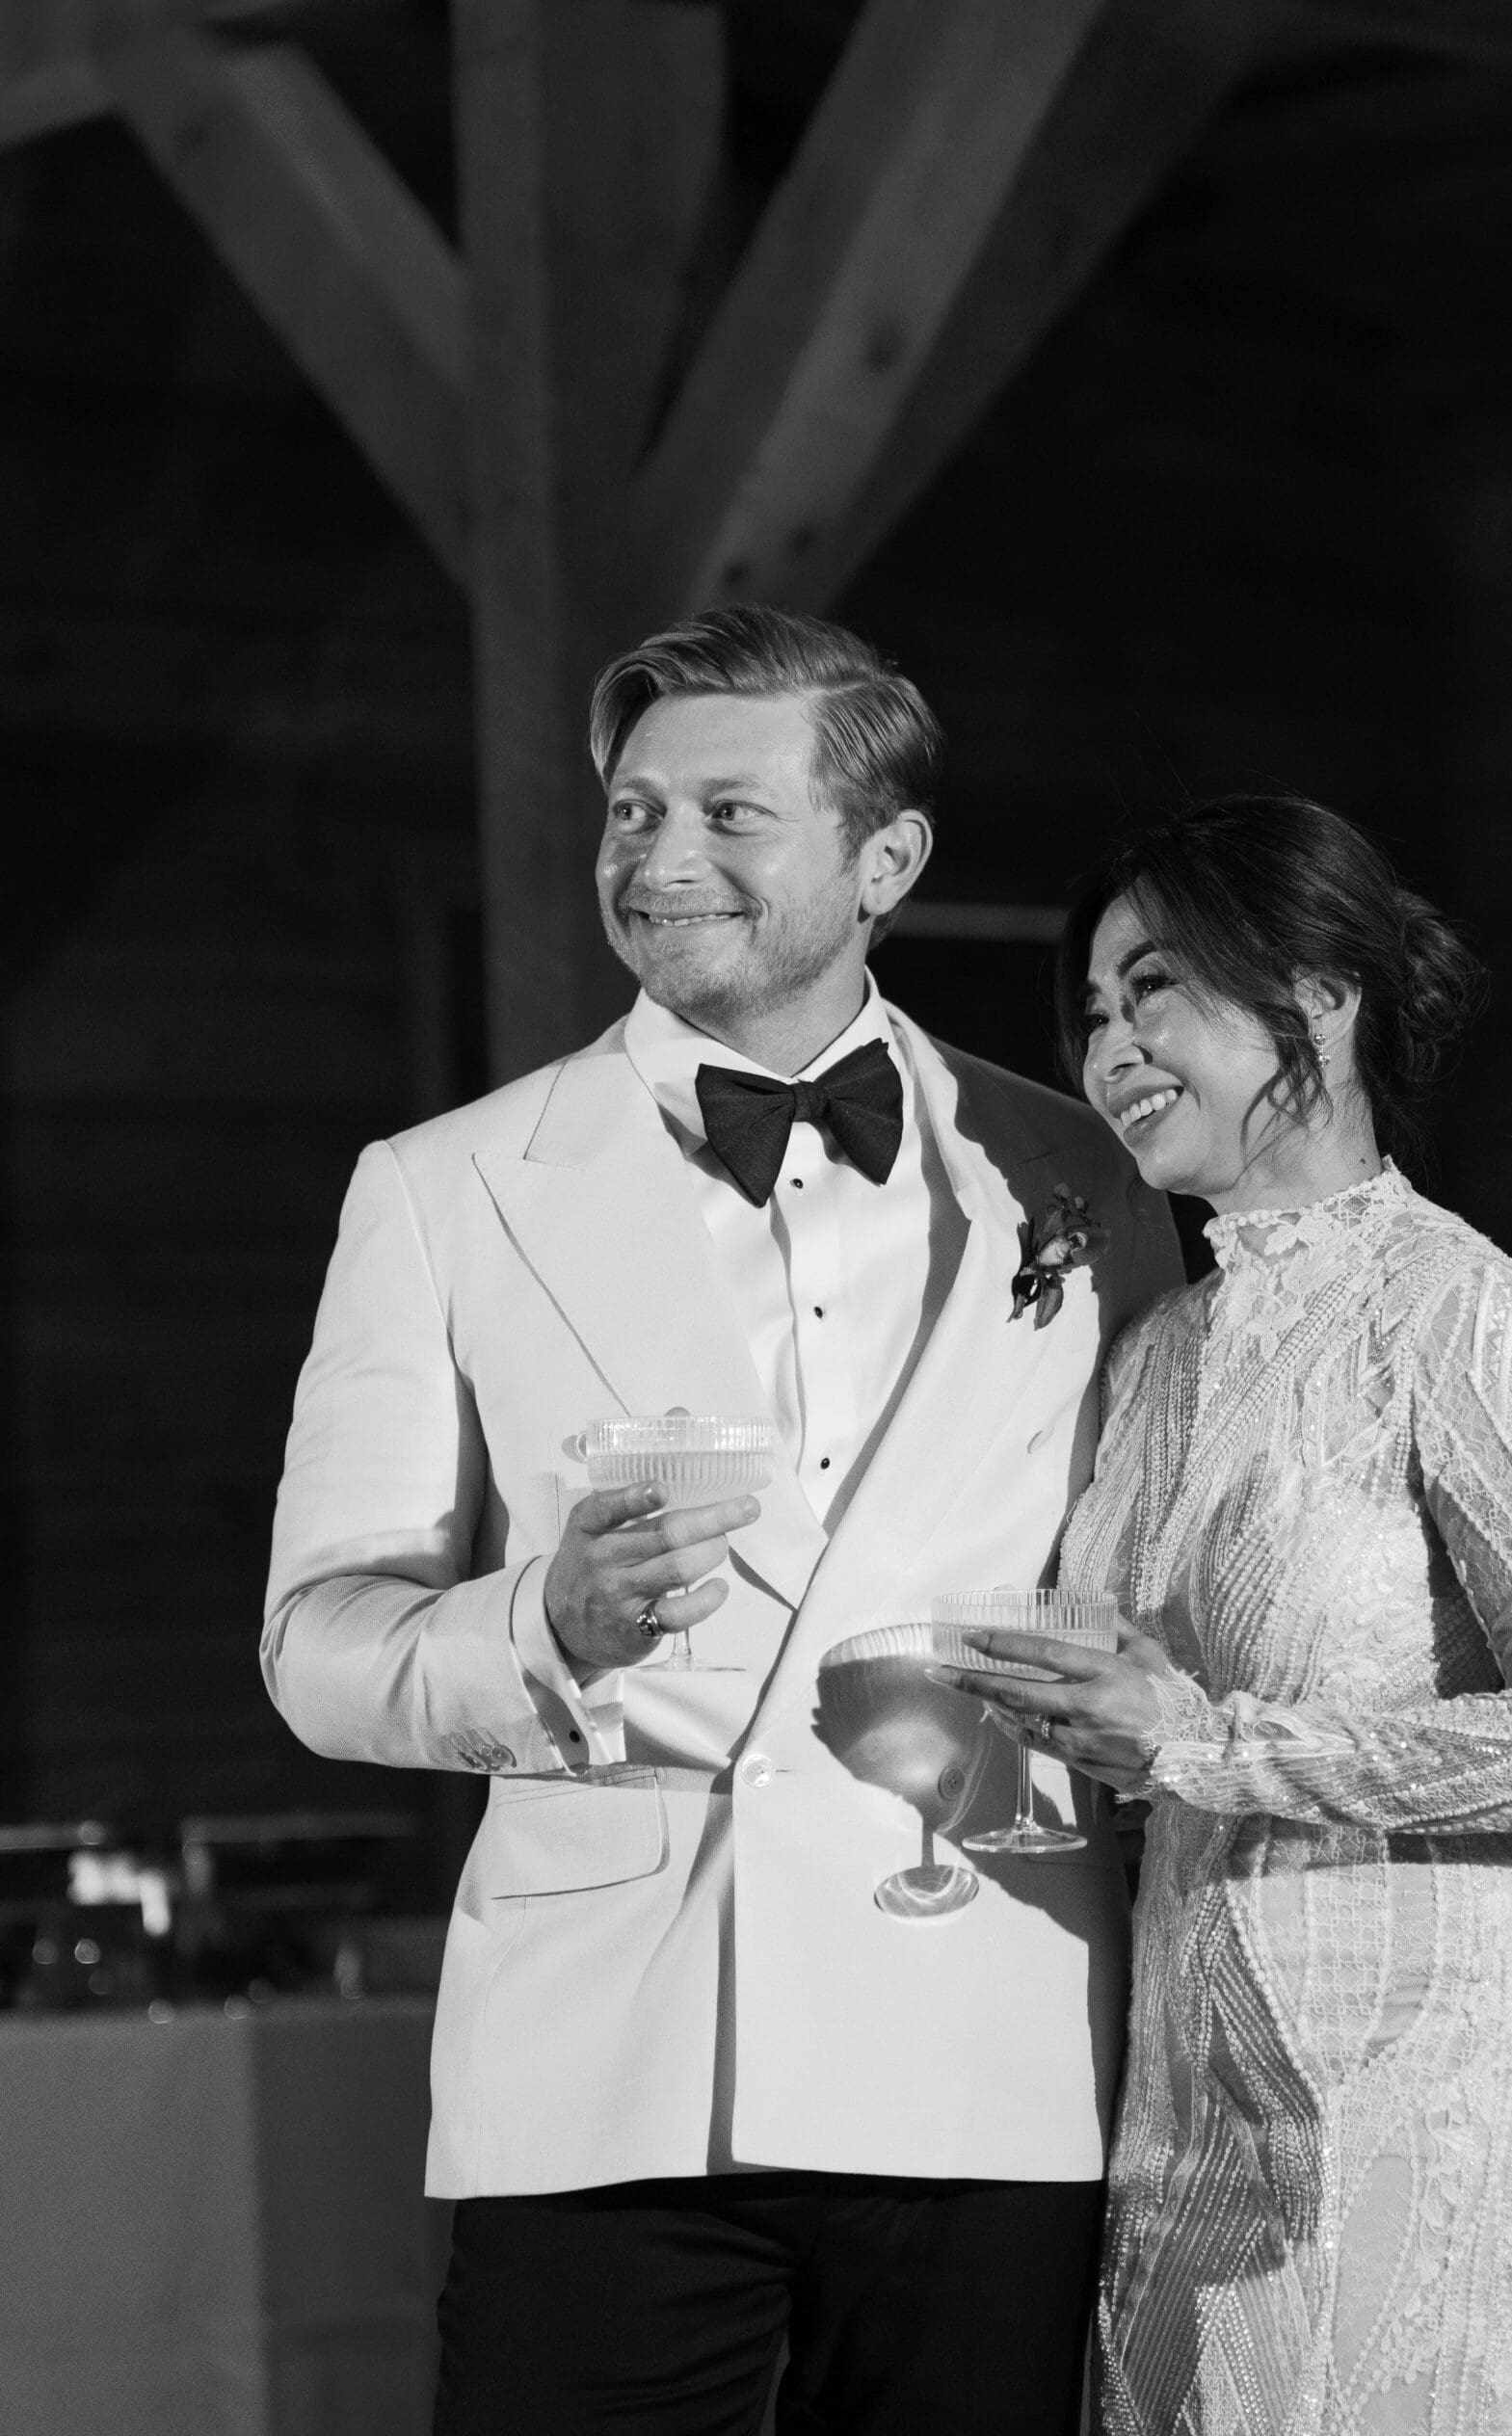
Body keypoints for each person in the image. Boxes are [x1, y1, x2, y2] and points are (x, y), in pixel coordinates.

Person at [262, 605, 1180, 2435]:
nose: (658, 860)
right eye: (629, 815)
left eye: (728, 817)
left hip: (978, 2028)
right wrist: (544, 1628)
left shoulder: (1078, 1172)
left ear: (886, 857)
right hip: (608, 2060)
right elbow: (315, 1649)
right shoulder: (444, 1192)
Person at [936, 794, 1512, 2436]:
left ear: (1319, 997)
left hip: (1424, 2077)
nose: (1109, 1045)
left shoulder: (1467, 1317)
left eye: (1158, 991)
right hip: (1186, 2094)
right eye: (1094, 1008)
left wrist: (1202, 1739)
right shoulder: (1157, 1353)